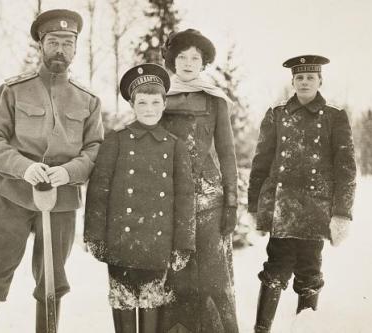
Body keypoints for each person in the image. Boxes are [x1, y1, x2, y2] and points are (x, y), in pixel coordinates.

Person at [0, 9, 104, 333]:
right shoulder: (13, 90)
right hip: (13, 195)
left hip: (62, 201)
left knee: (52, 280)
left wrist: (68, 172)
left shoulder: (88, 100)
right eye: (53, 42)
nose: (60, 50)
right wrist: (24, 168)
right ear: (41, 45)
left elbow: (95, 148)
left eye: (68, 43)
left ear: (76, 48)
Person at [247, 55, 357, 332]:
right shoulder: (277, 113)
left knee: (309, 274)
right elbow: (260, 163)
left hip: (315, 211)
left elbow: (346, 168)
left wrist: (342, 213)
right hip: (281, 210)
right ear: (292, 82)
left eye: (310, 77)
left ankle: (304, 328)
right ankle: (261, 329)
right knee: (274, 270)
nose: (305, 82)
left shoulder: (334, 116)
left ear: (320, 81)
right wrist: (254, 206)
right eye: (299, 77)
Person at [84, 63, 195, 333]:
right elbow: (98, 192)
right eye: (142, 102)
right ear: (132, 105)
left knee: (151, 305)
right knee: (122, 303)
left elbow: (185, 199)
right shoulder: (116, 140)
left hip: (158, 245)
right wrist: (94, 236)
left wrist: (184, 243)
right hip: (120, 243)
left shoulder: (175, 146)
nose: (149, 108)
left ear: (163, 104)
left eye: (155, 102)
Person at [158, 29, 240, 333]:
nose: (189, 63)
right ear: (172, 60)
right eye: (182, 57)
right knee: (175, 278)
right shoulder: (159, 97)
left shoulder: (216, 100)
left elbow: (227, 153)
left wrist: (231, 202)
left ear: (203, 62)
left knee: (214, 280)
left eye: (195, 57)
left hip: (209, 202)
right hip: (170, 202)